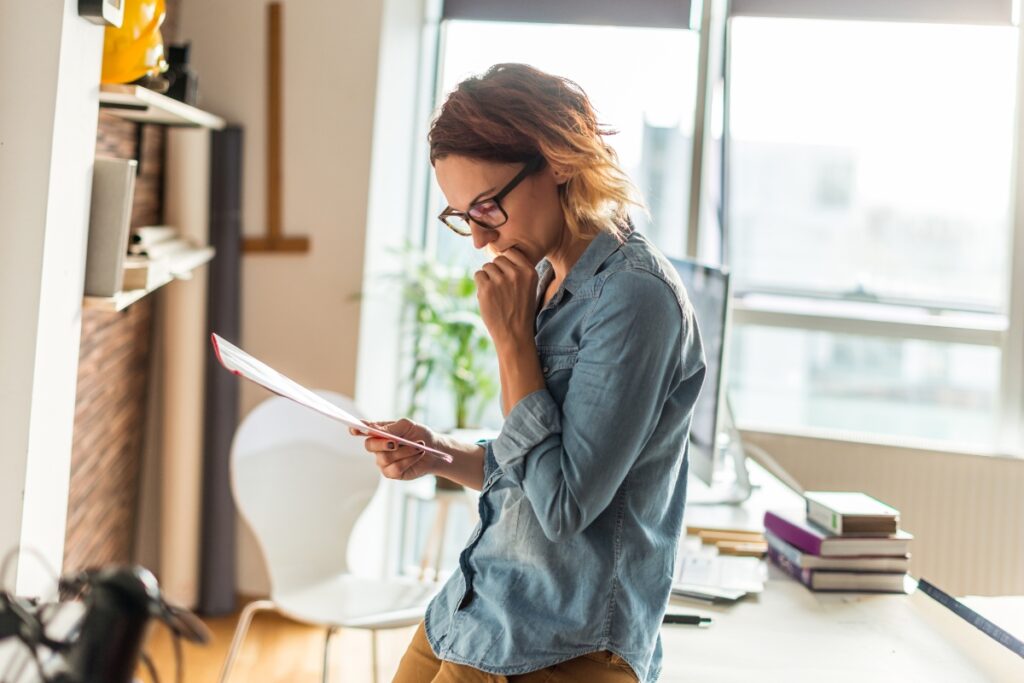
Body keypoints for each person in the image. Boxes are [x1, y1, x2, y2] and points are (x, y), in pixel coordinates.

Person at [353, 63, 706, 683]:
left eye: (488, 207)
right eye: (462, 215)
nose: (478, 239)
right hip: (478, 608)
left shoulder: (634, 299)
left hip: (558, 641)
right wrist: (437, 453)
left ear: (559, 160)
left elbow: (563, 505)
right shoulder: (547, 277)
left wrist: (512, 340)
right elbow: (531, 469)